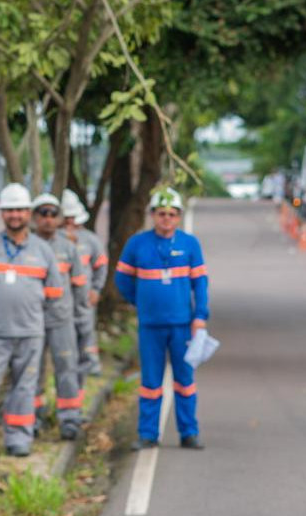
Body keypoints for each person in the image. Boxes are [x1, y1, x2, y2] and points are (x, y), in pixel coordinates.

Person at [0, 183, 65, 457]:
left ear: (28, 213)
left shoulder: (42, 250)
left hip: (29, 332)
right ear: (2, 213)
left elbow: (54, 292)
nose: (15, 215)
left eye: (19, 209)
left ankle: (18, 440)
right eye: (9, 210)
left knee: (24, 388)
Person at [116, 188, 208, 451]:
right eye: (161, 213)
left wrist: (200, 316)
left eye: (172, 214)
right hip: (150, 326)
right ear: (153, 215)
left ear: (179, 217)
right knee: (151, 382)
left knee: (185, 381)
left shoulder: (190, 244)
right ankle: (147, 434)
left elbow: (200, 283)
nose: (166, 219)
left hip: (182, 325)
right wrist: (140, 301)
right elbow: (122, 279)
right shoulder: (137, 244)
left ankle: (189, 432)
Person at [31, 193, 87, 440]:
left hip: (62, 319)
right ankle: (33, 416)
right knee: (33, 370)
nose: (48, 218)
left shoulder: (68, 247)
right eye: (43, 213)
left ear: (60, 218)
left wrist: (81, 321)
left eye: (53, 214)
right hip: (31, 319)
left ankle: (70, 418)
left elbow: (79, 287)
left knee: (66, 368)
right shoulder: (26, 245)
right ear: (35, 217)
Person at [62, 189, 109, 377]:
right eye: (65, 218)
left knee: (86, 330)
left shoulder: (90, 240)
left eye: (72, 218)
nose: (69, 223)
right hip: (59, 299)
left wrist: (96, 289)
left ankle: (90, 363)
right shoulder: (50, 242)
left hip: (84, 296)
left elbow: (101, 266)